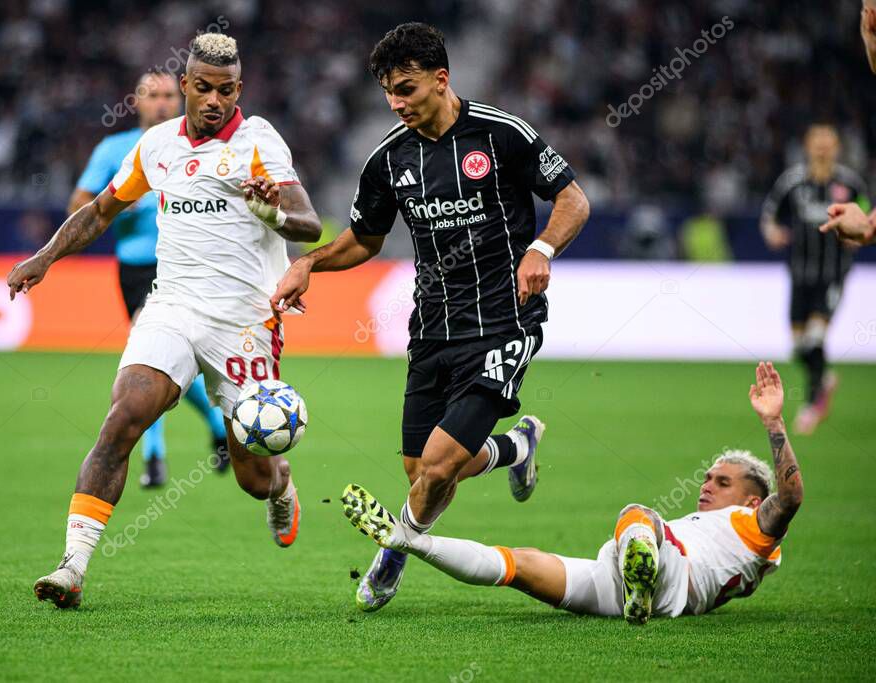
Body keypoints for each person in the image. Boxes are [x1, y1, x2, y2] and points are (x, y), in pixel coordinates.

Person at [272, 22, 590, 613]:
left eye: (407, 89)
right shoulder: (390, 157)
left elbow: (573, 199)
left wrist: (541, 250)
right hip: (432, 329)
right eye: (390, 93)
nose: (397, 103)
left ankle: (390, 555)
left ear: (441, 80)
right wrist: (309, 264)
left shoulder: (503, 135)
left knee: (440, 467)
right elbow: (364, 240)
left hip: (504, 322)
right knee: (423, 471)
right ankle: (515, 449)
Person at [7, 33, 322, 608]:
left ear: (239, 91)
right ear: (185, 86)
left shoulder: (258, 142)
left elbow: (308, 224)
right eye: (202, 88)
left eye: (226, 91)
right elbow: (102, 210)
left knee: (253, 478)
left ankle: (281, 484)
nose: (213, 101)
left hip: (245, 323)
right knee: (123, 416)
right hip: (172, 308)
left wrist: (267, 205)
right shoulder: (156, 146)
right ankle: (72, 567)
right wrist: (45, 257)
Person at [341, 362, 802, 625]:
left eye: (722, 482)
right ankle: (407, 541)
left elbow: (792, 497)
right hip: (624, 585)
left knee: (639, 514)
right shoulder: (735, 543)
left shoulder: (752, 528)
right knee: (516, 565)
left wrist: (773, 423)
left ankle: (639, 555)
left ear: (752, 501)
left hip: (674, 572)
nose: (706, 485)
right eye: (707, 477)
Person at [69, 69, 230, 487]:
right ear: (136, 101)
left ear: (179, 101)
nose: (161, 103)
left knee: (157, 358)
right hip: (138, 268)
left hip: (186, 265)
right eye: (152, 95)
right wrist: (125, 205)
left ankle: (155, 458)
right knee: (153, 357)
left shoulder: (201, 148)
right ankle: (213, 428)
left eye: (167, 96)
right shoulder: (116, 149)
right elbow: (81, 204)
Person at [760, 124, 869, 435]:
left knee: (816, 339)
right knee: (798, 346)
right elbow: (770, 215)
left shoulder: (849, 184)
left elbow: (867, 214)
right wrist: (773, 232)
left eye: (828, 143)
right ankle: (824, 378)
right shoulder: (793, 183)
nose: (822, 148)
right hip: (799, 274)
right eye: (817, 142)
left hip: (832, 275)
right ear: (807, 146)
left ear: (837, 147)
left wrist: (860, 233)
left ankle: (811, 405)